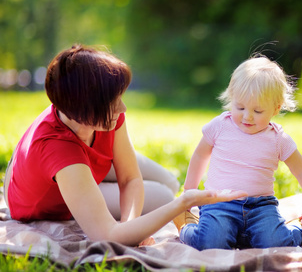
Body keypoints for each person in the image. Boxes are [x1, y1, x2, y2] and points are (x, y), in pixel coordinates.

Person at [3, 44, 247, 247]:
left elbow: (130, 178)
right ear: (84, 110)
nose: (122, 109)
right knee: (164, 196)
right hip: (42, 194)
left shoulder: (99, 115)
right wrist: (183, 203)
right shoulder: (60, 149)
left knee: (169, 181)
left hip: (69, 158)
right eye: (113, 102)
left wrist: (130, 224)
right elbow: (108, 236)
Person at [174, 55, 302, 250]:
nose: (247, 116)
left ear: (276, 108)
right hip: (219, 203)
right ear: (231, 98)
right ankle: (185, 223)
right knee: (211, 242)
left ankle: (301, 227)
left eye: (258, 111)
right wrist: (190, 191)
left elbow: (301, 171)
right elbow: (200, 155)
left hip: (261, 207)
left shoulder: (278, 138)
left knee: (277, 244)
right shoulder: (220, 126)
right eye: (240, 107)